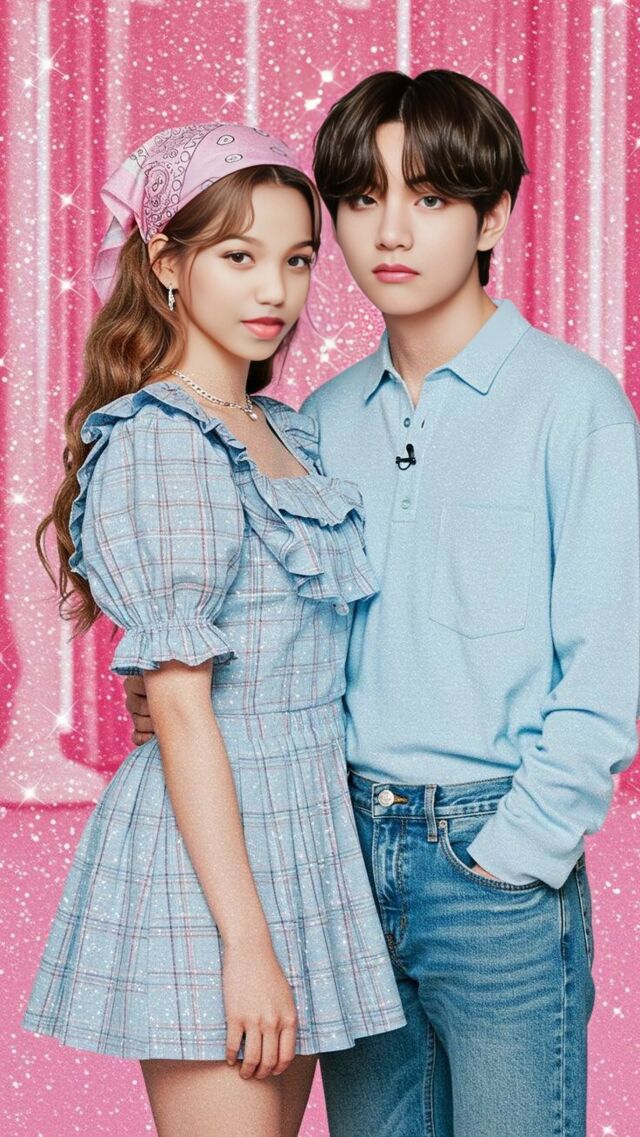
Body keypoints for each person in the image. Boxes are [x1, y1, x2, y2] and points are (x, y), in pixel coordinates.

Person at [127, 70, 640, 1137]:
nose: (390, 231)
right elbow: (273, 629)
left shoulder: (572, 404)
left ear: (492, 216)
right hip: (341, 855)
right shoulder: (315, 422)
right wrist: (174, 694)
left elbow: (609, 662)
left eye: (431, 197)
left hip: (494, 857)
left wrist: (517, 851)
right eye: (362, 200)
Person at [21, 122, 407, 1137]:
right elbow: (187, 714)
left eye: (296, 260)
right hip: (214, 869)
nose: (273, 290)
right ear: (165, 262)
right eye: (239, 257)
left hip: (303, 836)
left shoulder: (285, 431)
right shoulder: (162, 439)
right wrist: (246, 944)